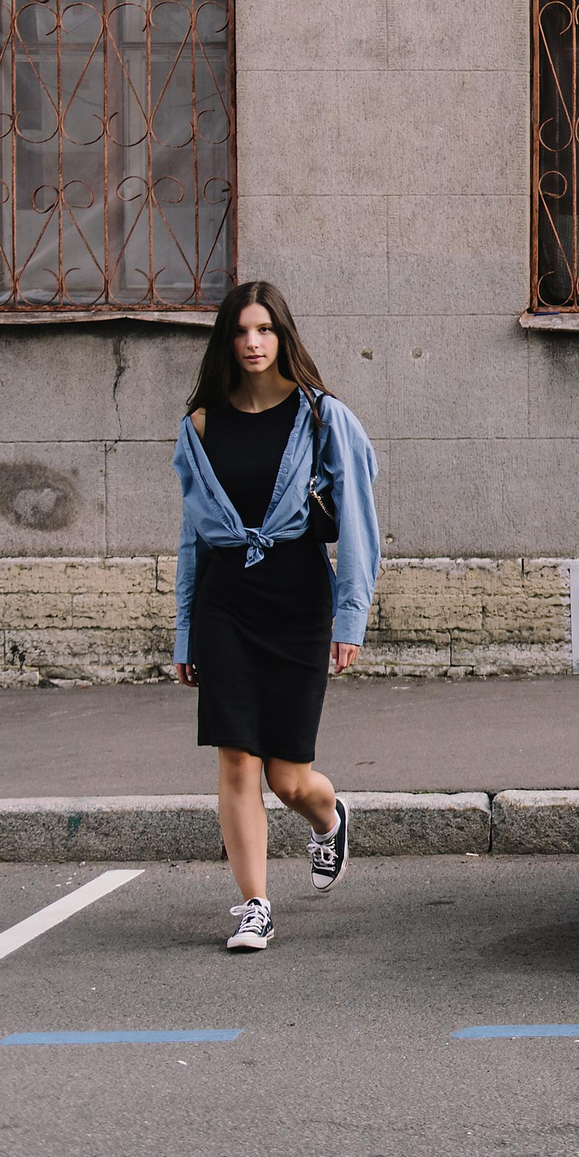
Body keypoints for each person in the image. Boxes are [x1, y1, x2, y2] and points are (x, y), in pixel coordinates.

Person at [171, 281, 380, 952]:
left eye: (264, 329)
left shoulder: (323, 416)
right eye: (241, 331)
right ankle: (254, 905)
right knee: (237, 758)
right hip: (225, 603)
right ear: (226, 340)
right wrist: (184, 629)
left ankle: (328, 816)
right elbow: (193, 536)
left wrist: (350, 617)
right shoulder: (201, 424)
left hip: (298, 600)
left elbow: (359, 523)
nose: (253, 342)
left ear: (283, 336)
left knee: (286, 778)